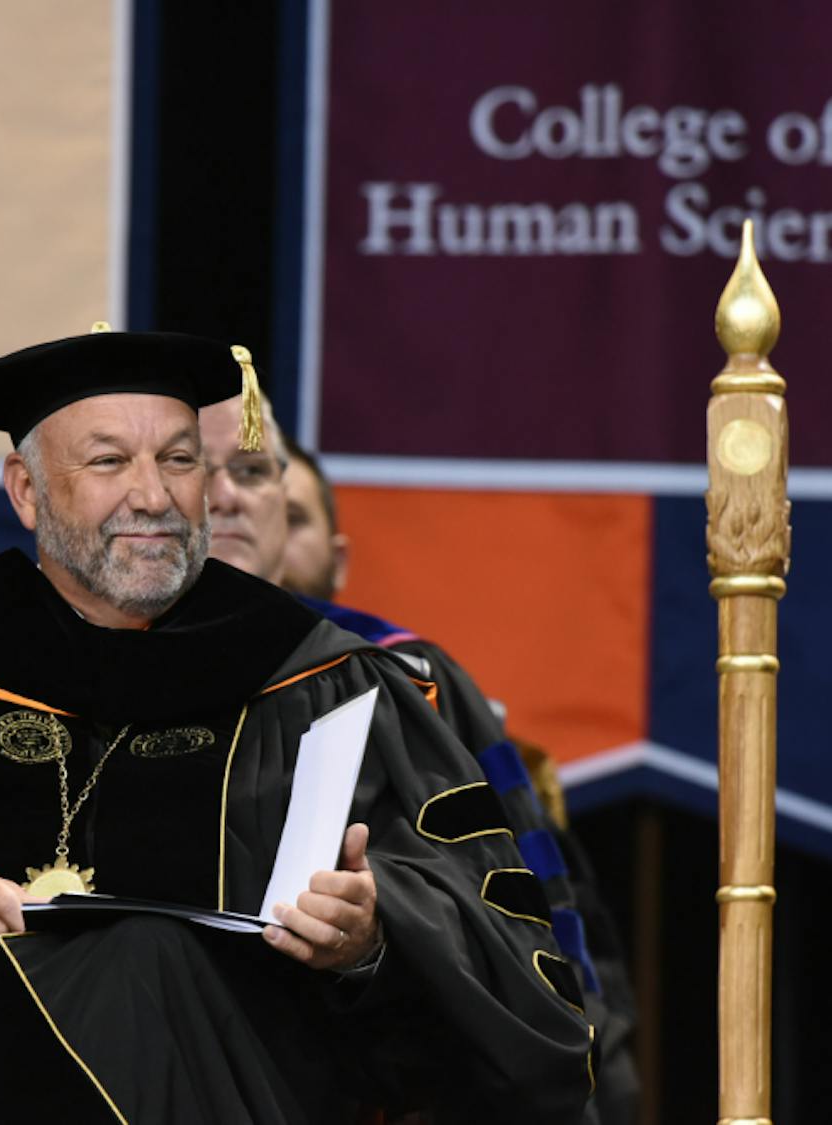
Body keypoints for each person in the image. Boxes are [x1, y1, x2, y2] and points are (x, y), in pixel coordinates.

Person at [0, 329, 595, 1124]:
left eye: (180, 460)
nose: (153, 495)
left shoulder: (321, 677)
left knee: (147, 960)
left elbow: (511, 961)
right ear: (27, 491)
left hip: (254, 1086)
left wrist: (373, 930)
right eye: (109, 461)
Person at [200, 383, 638, 1124]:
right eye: (195, 468)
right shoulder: (66, 681)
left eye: (253, 474)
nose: (227, 498)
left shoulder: (407, 683)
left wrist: (382, 920)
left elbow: (531, 927)